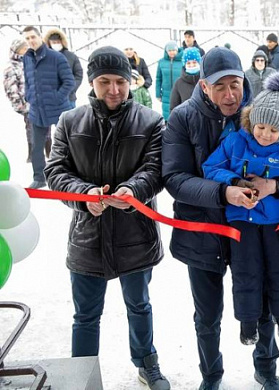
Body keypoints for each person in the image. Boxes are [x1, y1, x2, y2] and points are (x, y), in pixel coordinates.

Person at [163, 47, 279, 390]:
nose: (229, 94)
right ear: (204, 86)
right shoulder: (182, 118)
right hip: (203, 232)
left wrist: (275, 185)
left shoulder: (260, 113)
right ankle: (211, 375)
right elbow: (174, 179)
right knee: (207, 316)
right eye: (220, 86)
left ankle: (266, 368)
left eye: (235, 84)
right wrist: (224, 193)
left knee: (261, 305)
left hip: (254, 231)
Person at [44, 46, 170, 390]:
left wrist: (133, 191)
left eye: (120, 81)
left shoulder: (150, 120)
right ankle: (80, 376)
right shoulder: (70, 122)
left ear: (131, 81)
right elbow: (55, 171)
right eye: (104, 82)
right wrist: (84, 196)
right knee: (85, 316)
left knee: (139, 306)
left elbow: (155, 169)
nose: (113, 90)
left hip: (135, 236)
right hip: (88, 237)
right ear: (92, 82)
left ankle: (147, 363)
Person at [202, 72, 279, 351]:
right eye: (261, 127)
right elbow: (210, 168)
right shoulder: (236, 142)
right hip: (242, 221)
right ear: (252, 122)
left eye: (274, 131)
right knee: (246, 270)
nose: (266, 135)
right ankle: (247, 321)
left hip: (276, 222)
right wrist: (234, 181)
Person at [22, 25, 74, 189]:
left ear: (39, 37)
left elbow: (69, 82)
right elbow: (28, 81)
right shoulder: (27, 58)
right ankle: (39, 178)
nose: (31, 41)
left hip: (58, 108)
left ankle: (71, 174)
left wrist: (56, 97)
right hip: (37, 110)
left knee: (66, 143)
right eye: (27, 38)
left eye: (33, 37)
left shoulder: (56, 57)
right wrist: (28, 96)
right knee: (36, 145)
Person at [3, 38, 33, 162]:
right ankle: (32, 154)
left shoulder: (30, 62)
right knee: (31, 128)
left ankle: (47, 153)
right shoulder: (11, 67)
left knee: (44, 129)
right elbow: (11, 89)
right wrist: (21, 105)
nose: (26, 51)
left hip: (37, 102)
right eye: (23, 49)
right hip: (26, 105)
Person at [44, 28, 83, 108]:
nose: (56, 44)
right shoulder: (43, 57)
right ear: (49, 43)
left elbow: (78, 74)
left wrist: (70, 89)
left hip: (69, 98)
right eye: (53, 42)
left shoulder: (71, 56)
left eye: (58, 42)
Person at [156, 41, 183, 120]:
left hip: (179, 92)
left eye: (174, 50)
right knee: (167, 114)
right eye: (170, 50)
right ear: (166, 51)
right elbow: (158, 78)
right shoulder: (162, 62)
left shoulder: (182, 61)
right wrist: (158, 93)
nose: (172, 52)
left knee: (180, 113)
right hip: (166, 93)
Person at [170, 47, 201, 111]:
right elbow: (173, 107)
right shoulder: (179, 83)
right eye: (188, 63)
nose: (192, 65)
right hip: (185, 119)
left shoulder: (206, 80)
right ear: (185, 65)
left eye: (194, 62)